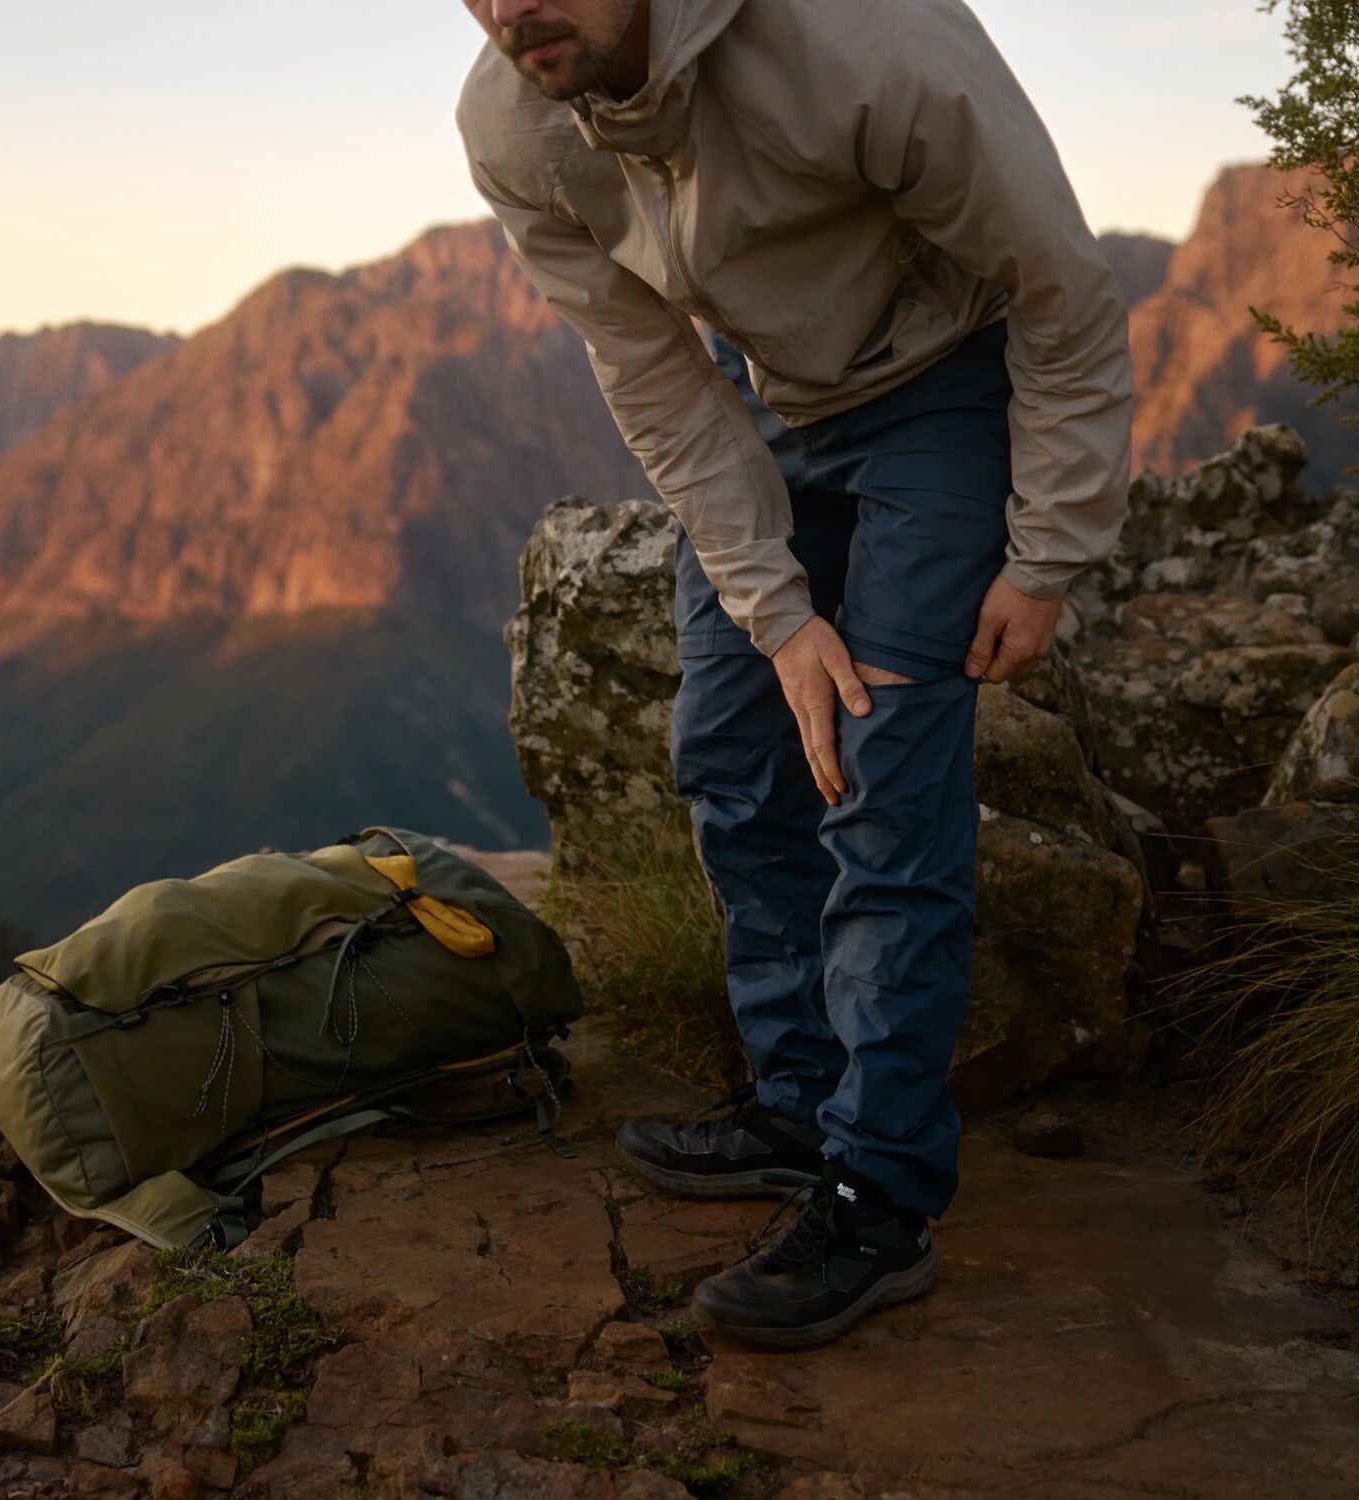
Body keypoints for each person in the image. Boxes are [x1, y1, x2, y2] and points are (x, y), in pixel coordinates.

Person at [456, 0, 1133, 1349]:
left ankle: (880, 1194)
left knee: (881, 775)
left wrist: (1050, 552)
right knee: (730, 744)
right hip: (762, 395)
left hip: (944, 380)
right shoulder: (511, 123)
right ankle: (799, 1097)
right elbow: (646, 365)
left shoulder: (859, 39)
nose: (512, 6)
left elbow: (1061, 285)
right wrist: (775, 613)